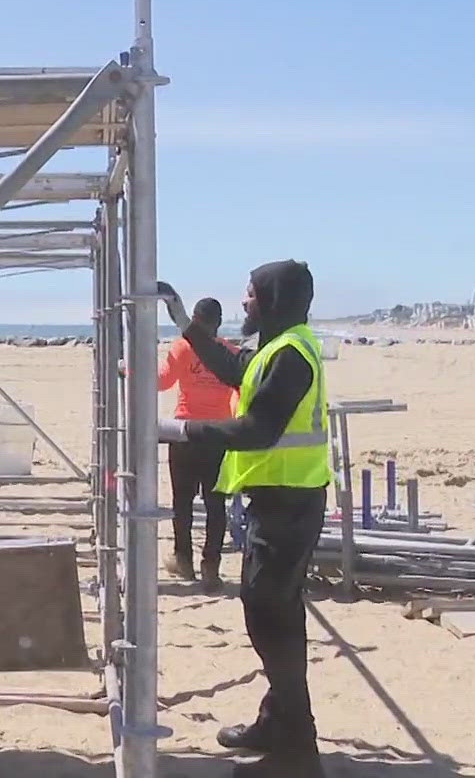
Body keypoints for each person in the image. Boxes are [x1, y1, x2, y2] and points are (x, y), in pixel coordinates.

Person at [157, 262, 331, 777]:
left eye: (251, 295)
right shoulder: (277, 347)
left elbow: (258, 429)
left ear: (272, 300)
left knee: (269, 617)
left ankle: (295, 746)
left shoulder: (293, 355)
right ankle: (280, 723)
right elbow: (234, 368)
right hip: (280, 501)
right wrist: (182, 318)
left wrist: (177, 432)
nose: (244, 303)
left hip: (289, 503)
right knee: (273, 615)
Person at [158, 296, 239, 592]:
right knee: (216, 504)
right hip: (217, 434)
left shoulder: (183, 348)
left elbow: (162, 381)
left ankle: (183, 559)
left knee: (183, 502)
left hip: (185, 432)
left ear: (193, 320)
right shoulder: (228, 353)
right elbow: (242, 392)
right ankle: (211, 565)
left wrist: (127, 370)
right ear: (218, 323)